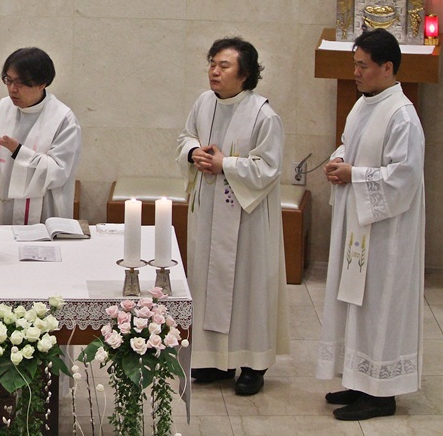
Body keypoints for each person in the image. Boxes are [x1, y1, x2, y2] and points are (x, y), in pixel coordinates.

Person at [316, 28, 425, 421]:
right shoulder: (364, 104)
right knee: (355, 303)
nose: (356, 72)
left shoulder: (402, 116)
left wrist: (354, 175)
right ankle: (359, 379)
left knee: (379, 304)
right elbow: (352, 143)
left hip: (386, 235)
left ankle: (381, 396)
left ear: (388, 67)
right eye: (355, 64)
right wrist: (338, 160)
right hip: (359, 227)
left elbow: (403, 178)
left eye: (363, 65)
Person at [176, 37, 289, 396]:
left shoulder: (263, 115)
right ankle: (214, 360)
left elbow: (269, 168)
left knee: (248, 286)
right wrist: (193, 153)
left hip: (248, 219)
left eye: (223, 65)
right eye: (212, 63)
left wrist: (225, 164)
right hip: (209, 212)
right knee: (208, 281)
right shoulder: (204, 103)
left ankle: (253, 364)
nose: (214, 71)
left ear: (245, 74)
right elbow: (186, 137)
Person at [0, 47, 80, 224]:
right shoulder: (0, 108)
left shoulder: (63, 119)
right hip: (1, 207)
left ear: (42, 83)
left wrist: (18, 151)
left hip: (41, 214)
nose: (12, 89)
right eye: (8, 80)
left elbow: (59, 172)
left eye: (20, 83)